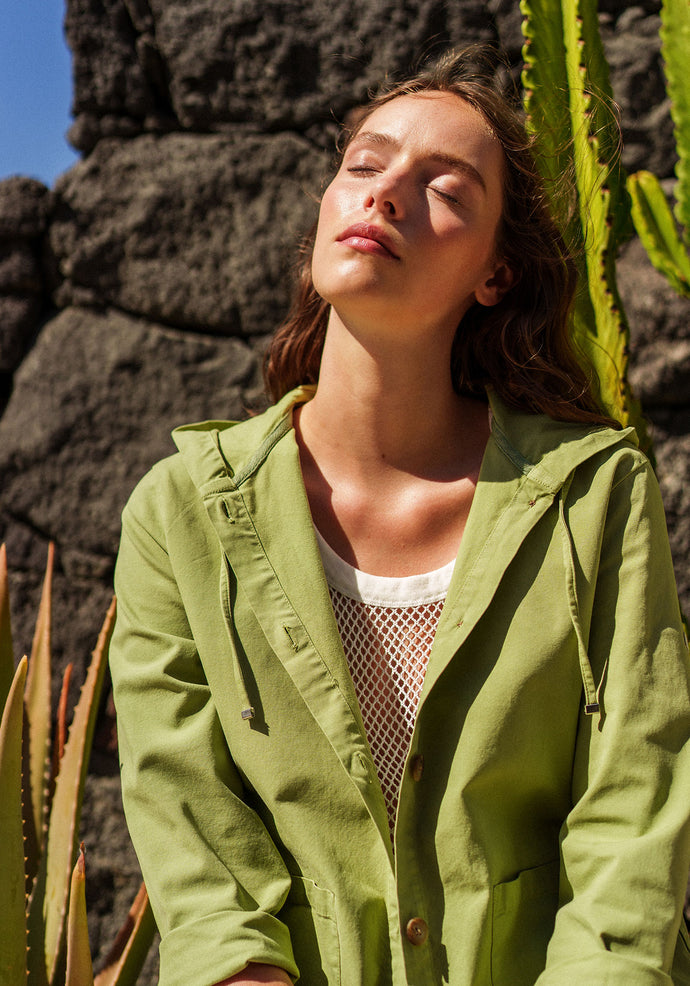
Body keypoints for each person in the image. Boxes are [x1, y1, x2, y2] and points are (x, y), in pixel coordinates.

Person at [109, 47, 690, 986]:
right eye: (365, 166)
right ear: (326, 212)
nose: (384, 197)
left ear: (495, 275)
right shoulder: (179, 512)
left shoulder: (593, 495)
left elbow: (637, 802)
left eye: (444, 188)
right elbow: (192, 830)